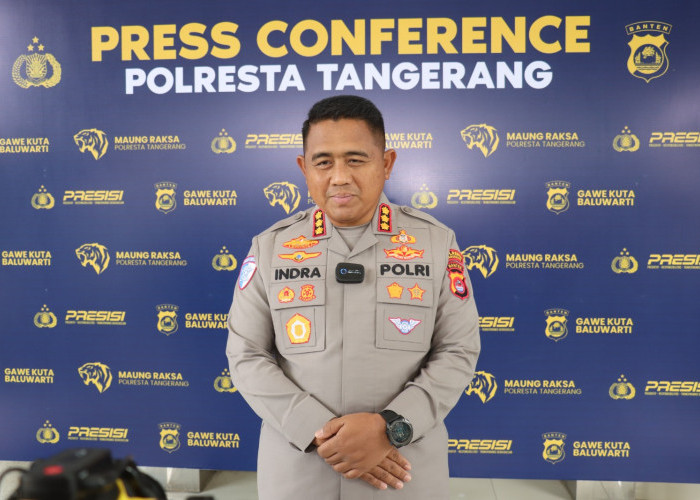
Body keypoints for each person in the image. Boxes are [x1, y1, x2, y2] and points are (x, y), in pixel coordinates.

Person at [226, 95, 480, 499]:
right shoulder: (271, 247)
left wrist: (391, 426)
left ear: (387, 163)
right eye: (323, 162)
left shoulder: (434, 243)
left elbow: (457, 349)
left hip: (401, 470)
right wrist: (319, 432)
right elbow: (246, 354)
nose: (340, 177)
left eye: (356, 159)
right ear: (304, 168)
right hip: (300, 469)